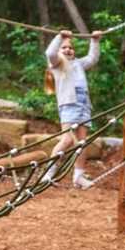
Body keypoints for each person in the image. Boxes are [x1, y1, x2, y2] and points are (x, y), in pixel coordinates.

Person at [41, 28, 102, 189]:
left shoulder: (78, 64)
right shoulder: (57, 64)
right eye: (64, 47)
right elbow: (50, 53)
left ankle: (79, 176)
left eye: (71, 47)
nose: (68, 49)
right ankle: (48, 173)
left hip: (83, 105)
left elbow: (93, 58)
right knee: (67, 139)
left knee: (82, 142)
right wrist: (59, 37)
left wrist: (95, 41)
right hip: (69, 105)